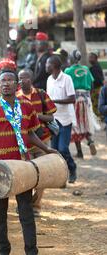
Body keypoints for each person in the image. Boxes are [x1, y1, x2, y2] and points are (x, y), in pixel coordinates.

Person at [0, 70, 58, 255]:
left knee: (26, 211)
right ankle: (3, 253)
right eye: (4, 81)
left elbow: (31, 134)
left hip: (21, 168)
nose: (7, 83)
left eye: (11, 80)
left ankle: (32, 254)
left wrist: (46, 148)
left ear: (17, 84)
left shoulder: (26, 107)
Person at [17, 69, 57, 216]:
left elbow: (51, 117)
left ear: (31, 79)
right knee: (25, 175)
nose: (22, 81)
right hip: (23, 143)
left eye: (25, 77)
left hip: (42, 140)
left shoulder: (40, 94)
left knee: (42, 175)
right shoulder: (15, 97)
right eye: (20, 78)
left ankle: (35, 206)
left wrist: (35, 116)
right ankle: (24, 204)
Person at [46, 55, 77, 183]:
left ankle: (72, 168)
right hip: (53, 120)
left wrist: (54, 102)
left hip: (65, 119)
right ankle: (60, 176)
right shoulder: (49, 79)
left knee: (63, 148)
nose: (45, 66)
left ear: (54, 66)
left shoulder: (67, 79)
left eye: (47, 63)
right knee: (54, 150)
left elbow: (72, 99)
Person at [65, 50, 99, 158]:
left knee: (76, 125)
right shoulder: (86, 69)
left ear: (71, 58)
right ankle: (90, 141)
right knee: (85, 123)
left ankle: (79, 152)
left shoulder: (68, 70)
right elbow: (92, 84)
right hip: (85, 99)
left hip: (74, 100)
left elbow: (66, 86)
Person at [89, 52, 105, 119]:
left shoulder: (95, 68)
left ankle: (102, 119)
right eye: (89, 57)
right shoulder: (96, 66)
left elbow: (98, 80)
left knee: (96, 106)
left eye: (91, 57)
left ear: (95, 58)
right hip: (97, 89)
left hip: (96, 89)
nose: (89, 59)